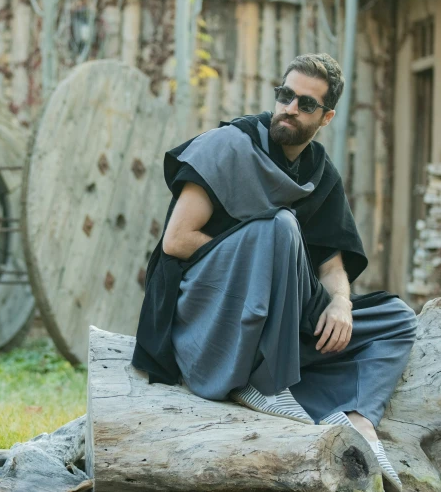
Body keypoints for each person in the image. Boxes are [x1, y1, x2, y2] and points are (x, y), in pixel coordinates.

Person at [131, 53, 416, 491]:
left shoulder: (319, 174)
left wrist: (340, 302)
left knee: (396, 318)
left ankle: (357, 419)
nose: (289, 108)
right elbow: (176, 240)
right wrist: (254, 261)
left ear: (326, 117)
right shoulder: (228, 146)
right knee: (279, 228)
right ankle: (262, 380)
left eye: (305, 103)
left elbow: (330, 262)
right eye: (285, 95)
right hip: (211, 319)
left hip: (281, 320)